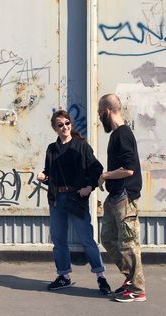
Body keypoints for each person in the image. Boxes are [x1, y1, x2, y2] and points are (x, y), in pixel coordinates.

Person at [37, 109, 111, 295]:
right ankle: (64, 276)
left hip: (77, 197)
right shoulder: (51, 149)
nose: (65, 127)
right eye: (60, 125)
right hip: (57, 199)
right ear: (55, 128)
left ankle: (101, 277)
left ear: (71, 124)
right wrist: (43, 176)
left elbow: (97, 169)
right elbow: (49, 172)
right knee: (59, 240)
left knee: (87, 239)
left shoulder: (81, 146)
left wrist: (89, 187)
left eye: (67, 123)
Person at [97, 94, 146, 303]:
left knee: (128, 243)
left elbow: (129, 170)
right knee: (107, 238)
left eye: (100, 112)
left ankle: (137, 289)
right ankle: (129, 278)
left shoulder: (122, 134)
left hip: (125, 195)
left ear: (107, 111)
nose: (99, 116)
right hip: (115, 196)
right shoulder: (116, 135)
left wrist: (105, 175)